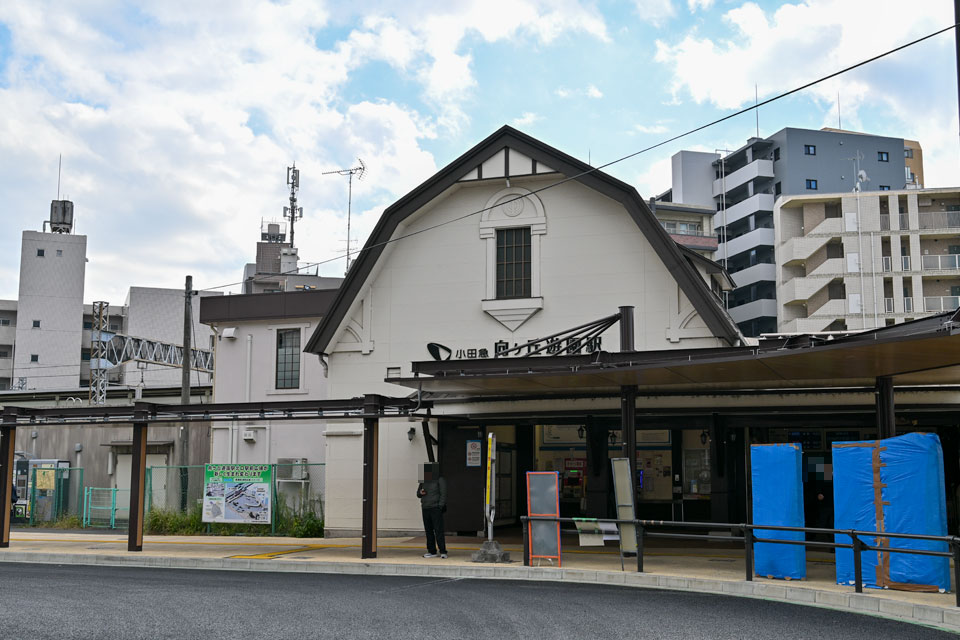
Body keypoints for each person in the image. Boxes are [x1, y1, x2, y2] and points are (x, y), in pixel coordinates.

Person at [416, 462, 447, 558]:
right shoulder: (423, 480)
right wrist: (420, 493)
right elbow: (418, 494)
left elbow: (443, 493)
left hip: (435, 507)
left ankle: (443, 551)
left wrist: (440, 505)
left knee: (438, 530)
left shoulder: (439, 479)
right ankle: (431, 550)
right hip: (425, 507)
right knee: (428, 530)